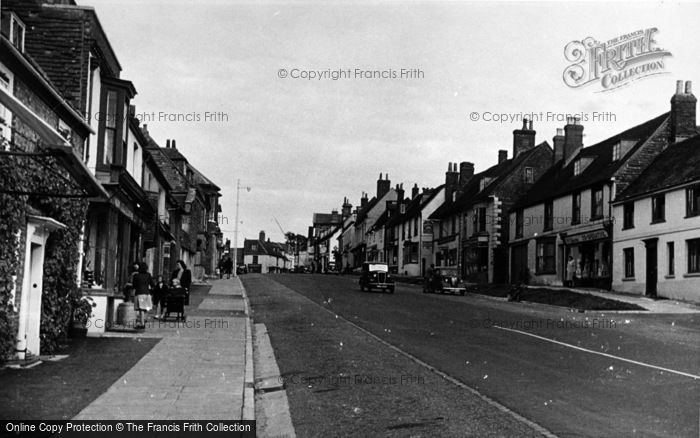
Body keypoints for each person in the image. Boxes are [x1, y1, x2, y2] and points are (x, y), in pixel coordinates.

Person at [133, 262, 153, 329]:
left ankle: (142, 324)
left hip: (139, 293)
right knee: (146, 308)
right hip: (147, 293)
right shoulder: (148, 275)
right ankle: (144, 319)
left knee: (141, 309)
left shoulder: (136, 275)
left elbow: (134, 285)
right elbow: (152, 284)